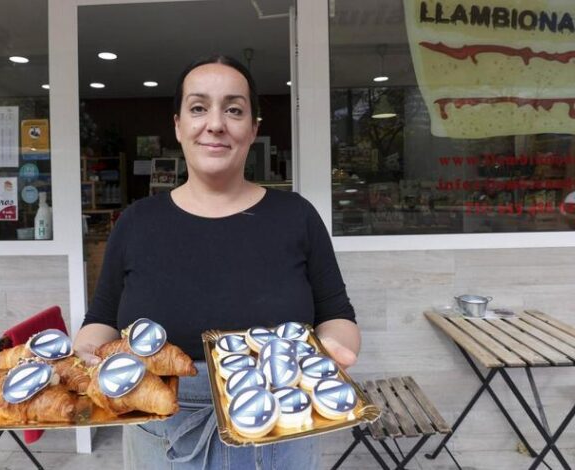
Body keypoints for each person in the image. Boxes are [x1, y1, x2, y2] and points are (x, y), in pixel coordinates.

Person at [73, 54, 360, 469]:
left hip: (282, 432)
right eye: (198, 107)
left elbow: (337, 315)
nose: (215, 124)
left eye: (234, 109)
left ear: (253, 128)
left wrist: (333, 350)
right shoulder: (136, 223)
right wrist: (85, 353)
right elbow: (101, 319)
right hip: (162, 435)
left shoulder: (296, 217)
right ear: (177, 124)